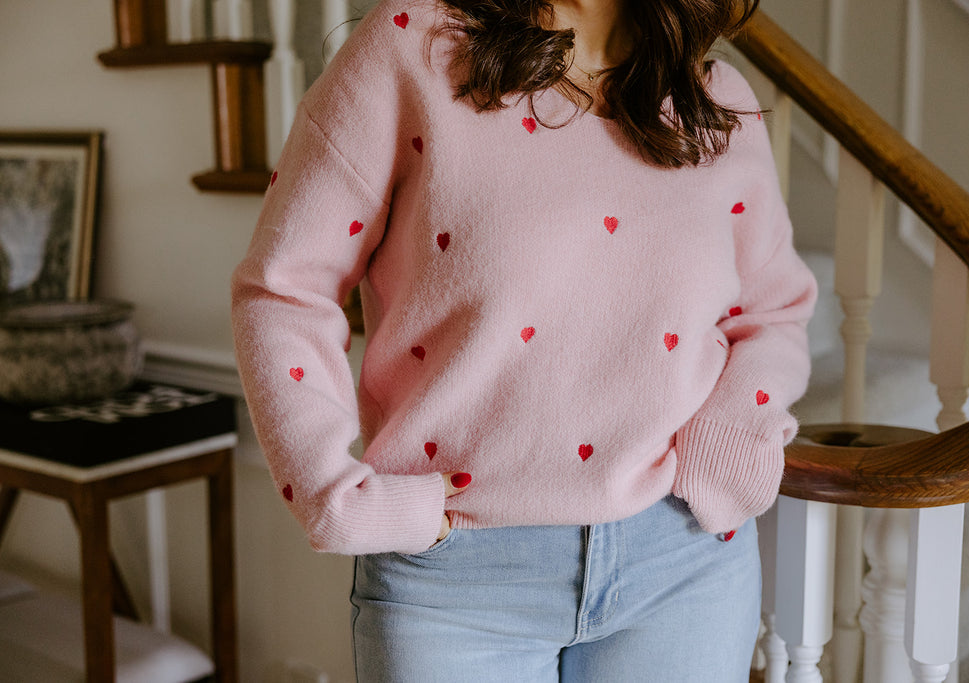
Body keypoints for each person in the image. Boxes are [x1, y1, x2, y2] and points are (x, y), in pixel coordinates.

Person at [231, 0, 817, 679]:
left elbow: (774, 307)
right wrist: (332, 491)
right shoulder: (412, 48)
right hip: (457, 583)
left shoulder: (713, 101)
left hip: (682, 565)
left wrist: (727, 444)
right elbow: (284, 289)